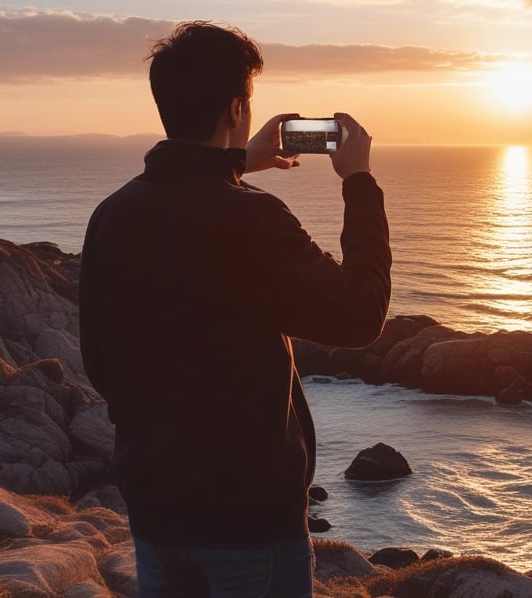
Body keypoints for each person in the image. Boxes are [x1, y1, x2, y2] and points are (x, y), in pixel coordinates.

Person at [79, 21, 391, 597]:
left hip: (155, 506)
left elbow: (98, 359)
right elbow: (360, 314)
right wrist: (360, 182)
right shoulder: (254, 220)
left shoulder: (113, 215)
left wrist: (236, 163)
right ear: (236, 108)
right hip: (246, 523)